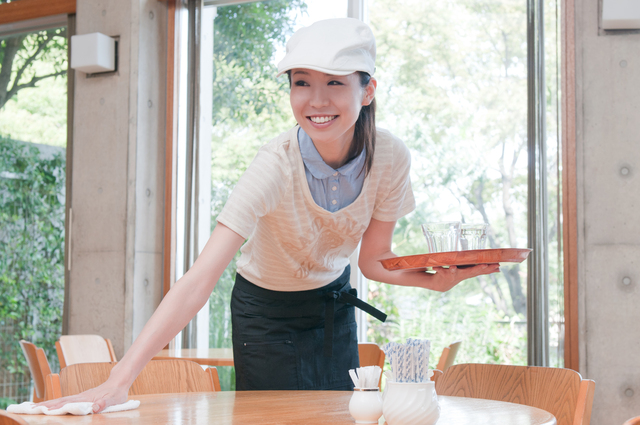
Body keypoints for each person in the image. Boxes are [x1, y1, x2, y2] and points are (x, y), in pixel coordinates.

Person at [43, 17, 499, 412]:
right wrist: (120, 380)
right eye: (302, 82)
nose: (316, 101)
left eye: (335, 82)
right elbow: (199, 279)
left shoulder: (391, 157)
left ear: (368, 90)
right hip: (264, 312)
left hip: (332, 308)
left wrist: (433, 279)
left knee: (345, 414)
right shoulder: (274, 165)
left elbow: (373, 261)